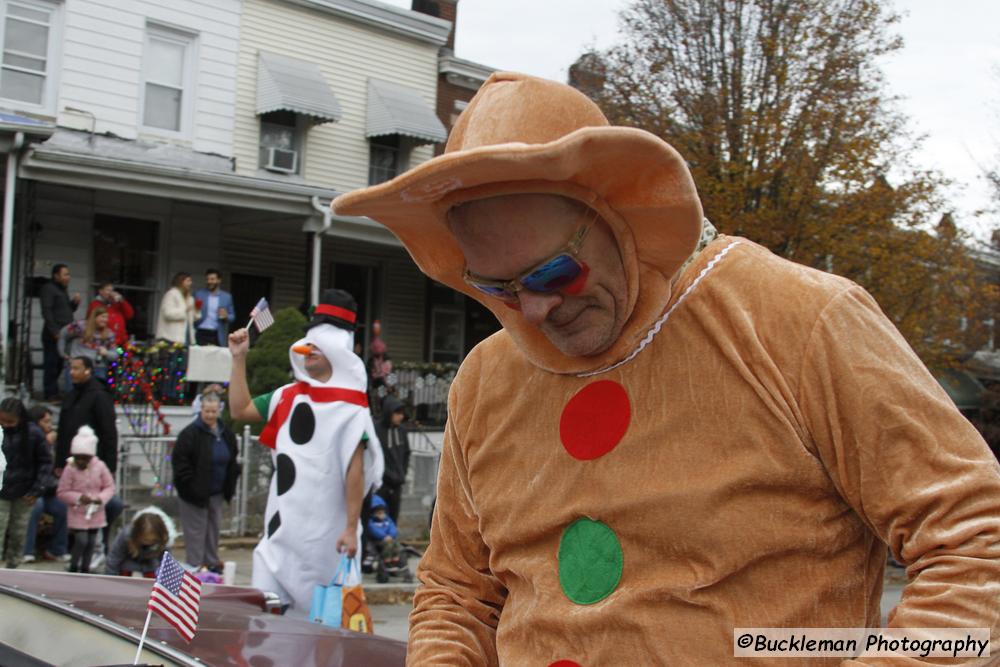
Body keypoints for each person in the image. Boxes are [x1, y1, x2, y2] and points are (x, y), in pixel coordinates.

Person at [332, 72, 1000, 663]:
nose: (532, 309)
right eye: (500, 288)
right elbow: (458, 594)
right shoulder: (486, 380)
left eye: (552, 271)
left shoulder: (798, 320)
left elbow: (978, 545)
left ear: (614, 208)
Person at [227, 288, 384, 616]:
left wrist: (351, 528)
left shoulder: (351, 408)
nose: (308, 352)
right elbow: (240, 409)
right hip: (279, 539)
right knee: (267, 630)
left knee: (319, 639)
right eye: (307, 345)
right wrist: (239, 357)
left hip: (325, 543)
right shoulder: (286, 396)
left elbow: (355, 471)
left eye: (318, 346)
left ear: (336, 351)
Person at [55, 356, 122, 563]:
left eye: (76, 368)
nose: (72, 372)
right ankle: (71, 550)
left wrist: (110, 466)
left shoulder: (99, 396)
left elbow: (109, 433)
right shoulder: (72, 394)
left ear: (88, 370)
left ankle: (97, 549)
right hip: (71, 463)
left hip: (95, 463)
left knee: (100, 505)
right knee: (72, 503)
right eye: (70, 368)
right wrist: (59, 462)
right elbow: (64, 431)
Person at [172, 393, 240, 571]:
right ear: (200, 410)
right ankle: (195, 566)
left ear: (219, 411)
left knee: (213, 529)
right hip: (193, 494)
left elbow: (233, 459)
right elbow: (180, 464)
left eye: (213, 411)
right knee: (195, 531)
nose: (210, 415)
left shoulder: (226, 434)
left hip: (217, 492)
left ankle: (211, 563)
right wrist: (191, 486)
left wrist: (230, 485)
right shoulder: (189, 435)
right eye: (206, 411)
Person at [0, 398, 52, 568]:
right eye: (2, 420)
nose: (6, 424)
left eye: (10, 421)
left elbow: (45, 462)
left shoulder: (33, 433)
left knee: (18, 533)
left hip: (25, 491)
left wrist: (37, 489)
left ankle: (13, 567)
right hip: (2, 489)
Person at [57, 426, 115, 574]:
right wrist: (77, 498)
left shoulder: (100, 466)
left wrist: (100, 499)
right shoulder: (70, 468)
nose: (81, 461)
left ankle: (85, 568)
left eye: (85, 458)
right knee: (81, 540)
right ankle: (74, 565)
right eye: (78, 458)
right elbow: (62, 491)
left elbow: (109, 486)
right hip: (78, 512)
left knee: (91, 541)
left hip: (95, 511)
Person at [22, 405, 69, 563]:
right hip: (30, 489)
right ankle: (26, 550)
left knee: (63, 507)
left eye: (50, 421)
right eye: (46, 421)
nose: (50, 425)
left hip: (49, 489)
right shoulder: (27, 439)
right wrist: (45, 445)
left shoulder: (54, 441)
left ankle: (57, 550)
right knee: (36, 506)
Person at [39, 264, 81, 400]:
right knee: (51, 364)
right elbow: (47, 311)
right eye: (65, 274)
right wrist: (54, 331)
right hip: (54, 334)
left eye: (68, 274)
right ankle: (50, 393)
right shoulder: (48, 289)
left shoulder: (62, 290)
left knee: (59, 364)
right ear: (56, 276)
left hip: (65, 334)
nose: (68, 277)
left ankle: (54, 392)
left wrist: (74, 303)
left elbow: (66, 311)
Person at [106, 506, 175, 577]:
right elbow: (114, 557)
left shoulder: (164, 540)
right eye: (145, 540)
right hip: (128, 568)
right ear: (137, 534)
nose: (149, 542)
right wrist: (111, 577)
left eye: (153, 540)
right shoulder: (127, 535)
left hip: (151, 568)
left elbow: (167, 562)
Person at [58, 306, 119, 385]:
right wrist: (62, 353)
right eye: (102, 317)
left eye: (107, 317)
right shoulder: (80, 326)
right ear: (94, 317)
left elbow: (116, 354)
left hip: (97, 367)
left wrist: (106, 353)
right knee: (73, 394)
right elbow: (63, 334)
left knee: (96, 394)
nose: (105, 320)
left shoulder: (109, 334)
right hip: (77, 366)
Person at [373, 395, 410, 524]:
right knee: (378, 516)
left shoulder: (402, 431)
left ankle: (392, 542)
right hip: (381, 484)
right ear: (389, 412)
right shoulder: (376, 430)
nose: (401, 416)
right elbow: (374, 456)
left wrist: (402, 474)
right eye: (397, 413)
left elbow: (406, 453)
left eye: (402, 413)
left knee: (393, 517)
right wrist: (387, 475)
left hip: (397, 484)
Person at [193, 268, 235, 346]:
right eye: (207, 279)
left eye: (212, 279)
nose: (209, 282)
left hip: (216, 333)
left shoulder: (226, 297)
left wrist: (226, 316)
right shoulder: (198, 294)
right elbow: (192, 313)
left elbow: (232, 317)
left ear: (219, 280)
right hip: (201, 331)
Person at [88, 282, 134, 347]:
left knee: (124, 356)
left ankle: (123, 356)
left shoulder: (118, 304)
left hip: (120, 342)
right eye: (108, 290)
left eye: (112, 290)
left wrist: (121, 300)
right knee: (110, 356)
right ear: (101, 291)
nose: (111, 293)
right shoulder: (95, 304)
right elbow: (90, 321)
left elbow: (130, 315)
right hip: (104, 343)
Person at [155, 272, 195, 345]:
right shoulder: (171, 294)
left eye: (191, 281)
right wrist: (185, 309)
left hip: (186, 338)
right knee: (172, 356)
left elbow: (192, 319)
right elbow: (168, 314)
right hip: (170, 337)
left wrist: (197, 311)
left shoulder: (189, 298)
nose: (190, 283)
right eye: (188, 281)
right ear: (180, 281)